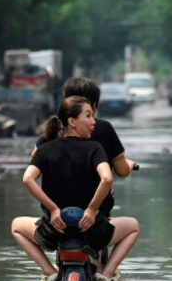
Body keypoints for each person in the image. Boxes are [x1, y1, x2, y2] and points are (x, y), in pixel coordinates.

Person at [12, 96, 140, 281]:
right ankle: (106, 276)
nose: (93, 122)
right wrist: (92, 209)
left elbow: (28, 179)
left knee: (16, 226)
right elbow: (107, 179)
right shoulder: (95, 148)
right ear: (72, 121)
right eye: (88, 116)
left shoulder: (44, 150)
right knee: (133, 226)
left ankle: (50, 273)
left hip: (56, 230)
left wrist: (53, 209)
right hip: (92, 230)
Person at [32, 77, 137, 216]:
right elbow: (122, 171)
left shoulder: (54, 127)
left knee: (19, 227)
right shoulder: (103, 129)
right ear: (93, 106)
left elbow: (34, 160)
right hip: (95, 213)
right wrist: (130, 164)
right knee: (132, 227)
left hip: (56, 212)